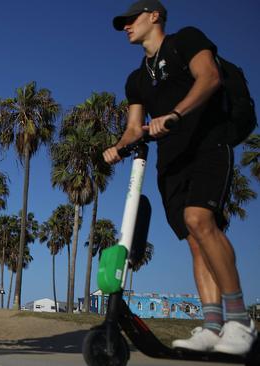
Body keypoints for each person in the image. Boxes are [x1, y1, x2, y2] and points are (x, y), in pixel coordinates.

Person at [105, 0, 257, 355]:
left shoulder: (185, 41)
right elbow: (133, 129)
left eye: (132, 19)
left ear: (154, 15)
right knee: (193, 238)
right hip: (171, 160)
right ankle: (212, 326)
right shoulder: (137, 79)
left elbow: (210, 78)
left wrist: (174, 114)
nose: (126, 26)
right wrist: (116, 147)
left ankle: (240, 320)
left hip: (208, 143)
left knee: (200, 219)